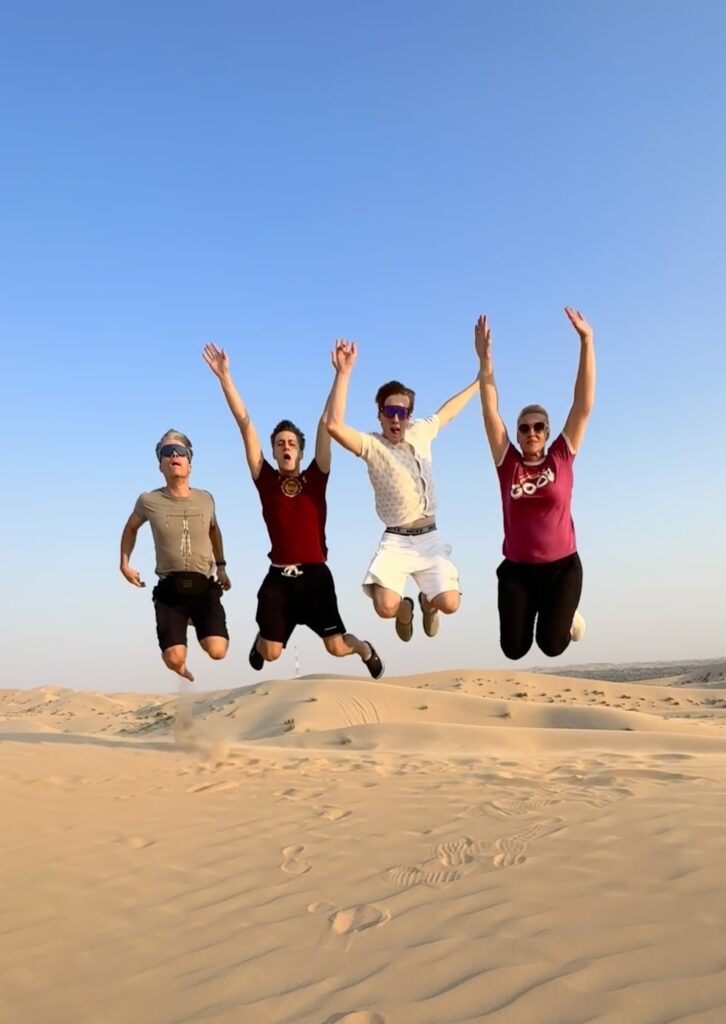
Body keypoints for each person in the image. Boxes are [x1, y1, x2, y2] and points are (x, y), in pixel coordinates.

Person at [202, 342, 384, 679]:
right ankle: (263, 639)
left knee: (337, 647)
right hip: (279, 580)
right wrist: (225, 378)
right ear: (273, 452)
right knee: (271, 654)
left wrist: (343, 373)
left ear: (300, 451)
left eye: (291, 443)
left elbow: (327, 422)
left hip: (316, 578)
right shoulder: (265, 480)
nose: (286, 447)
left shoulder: (317, 476)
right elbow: (245, 425)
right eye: (279, 443)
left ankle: (365, 649)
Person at [326, 340, 478, 641]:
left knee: (450, 603)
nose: (396, 418)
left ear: (409, 415)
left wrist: (480, 380)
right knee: (385, 607)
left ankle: (427, 604)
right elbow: (334, 425)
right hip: (396, 539)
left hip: (429, 537)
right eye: (390, 411)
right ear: (380, 414)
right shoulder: (372, 445)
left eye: (402, 412)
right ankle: (405, 609)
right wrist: (343, 373)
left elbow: (448, 412)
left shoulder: (421, 431)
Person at [474, 307, 595, 659]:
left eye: (539, 426)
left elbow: (583, 404)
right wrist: (485, 362)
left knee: (552, 646)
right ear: (517, 434)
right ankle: (549, 609)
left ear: (547, 431)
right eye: (525, 427)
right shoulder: (507, 463)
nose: (532, 432)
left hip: (561, 568)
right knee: (514, 650)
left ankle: (565, 615)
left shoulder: (561, 456)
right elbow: (490, 411)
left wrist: (587, 341)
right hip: (518, 571)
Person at [119, 430, 231, 683]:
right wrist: (125, 564)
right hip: (170, 590)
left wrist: (222, 566)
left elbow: (214, 530)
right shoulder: (148, 500)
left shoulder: (206, 499)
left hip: (203, 587)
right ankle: (179, 666)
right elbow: (130, 528)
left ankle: (193, 619)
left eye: (180, 452)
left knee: (218, 651)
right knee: (175, 658)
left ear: (190, 461)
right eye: (166, 452)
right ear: (160, 464)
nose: (174, 456)